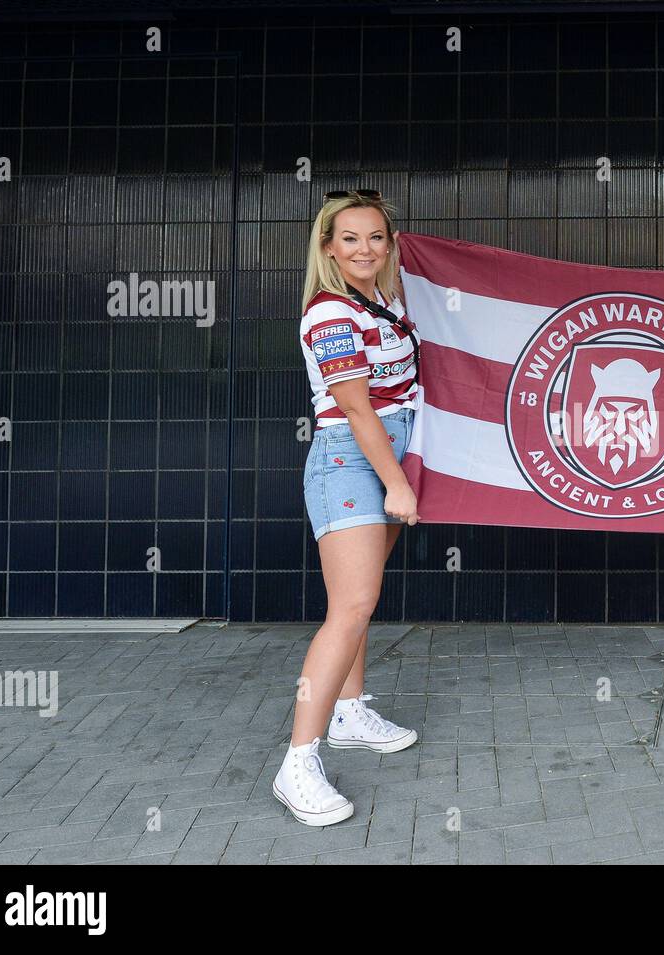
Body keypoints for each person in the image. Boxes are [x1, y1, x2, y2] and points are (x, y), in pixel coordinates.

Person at [272, 189, 423, 827]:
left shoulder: (386, 302)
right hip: (353, 461)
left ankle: (350, 712)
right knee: (352, 607)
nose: (366, 249)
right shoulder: (330, 313)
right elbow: (358, 407)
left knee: (359, 600)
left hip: (392, 451)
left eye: (377, 238)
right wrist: (397, 482)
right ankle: (297, 763)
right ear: (328, 247)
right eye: (351, 238)